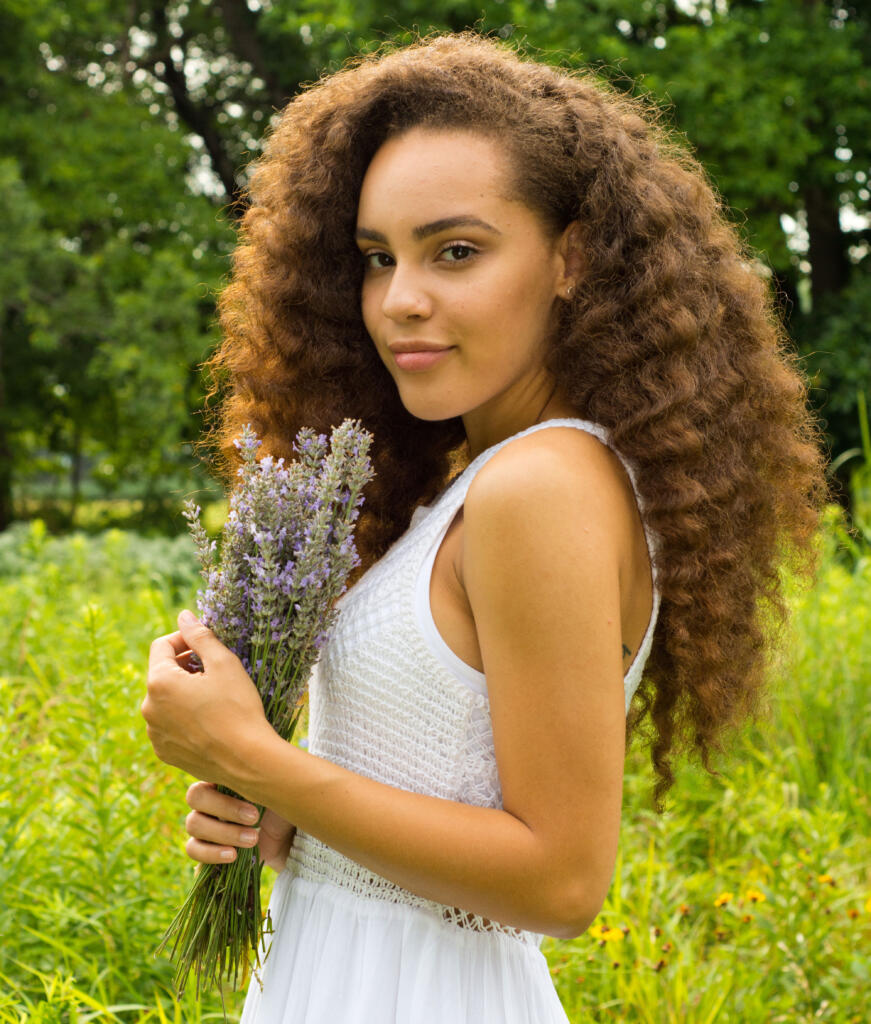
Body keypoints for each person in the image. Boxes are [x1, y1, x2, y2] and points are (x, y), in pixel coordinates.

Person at [142, 30, 826, 1023]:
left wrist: (255, 758)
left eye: (455, 251)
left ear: (569, 259)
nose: (401, 301)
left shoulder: (541, 486)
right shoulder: (486, 476)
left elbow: (557, 879)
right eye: (378, 259)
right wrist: (287, 815)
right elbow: (444, 795)